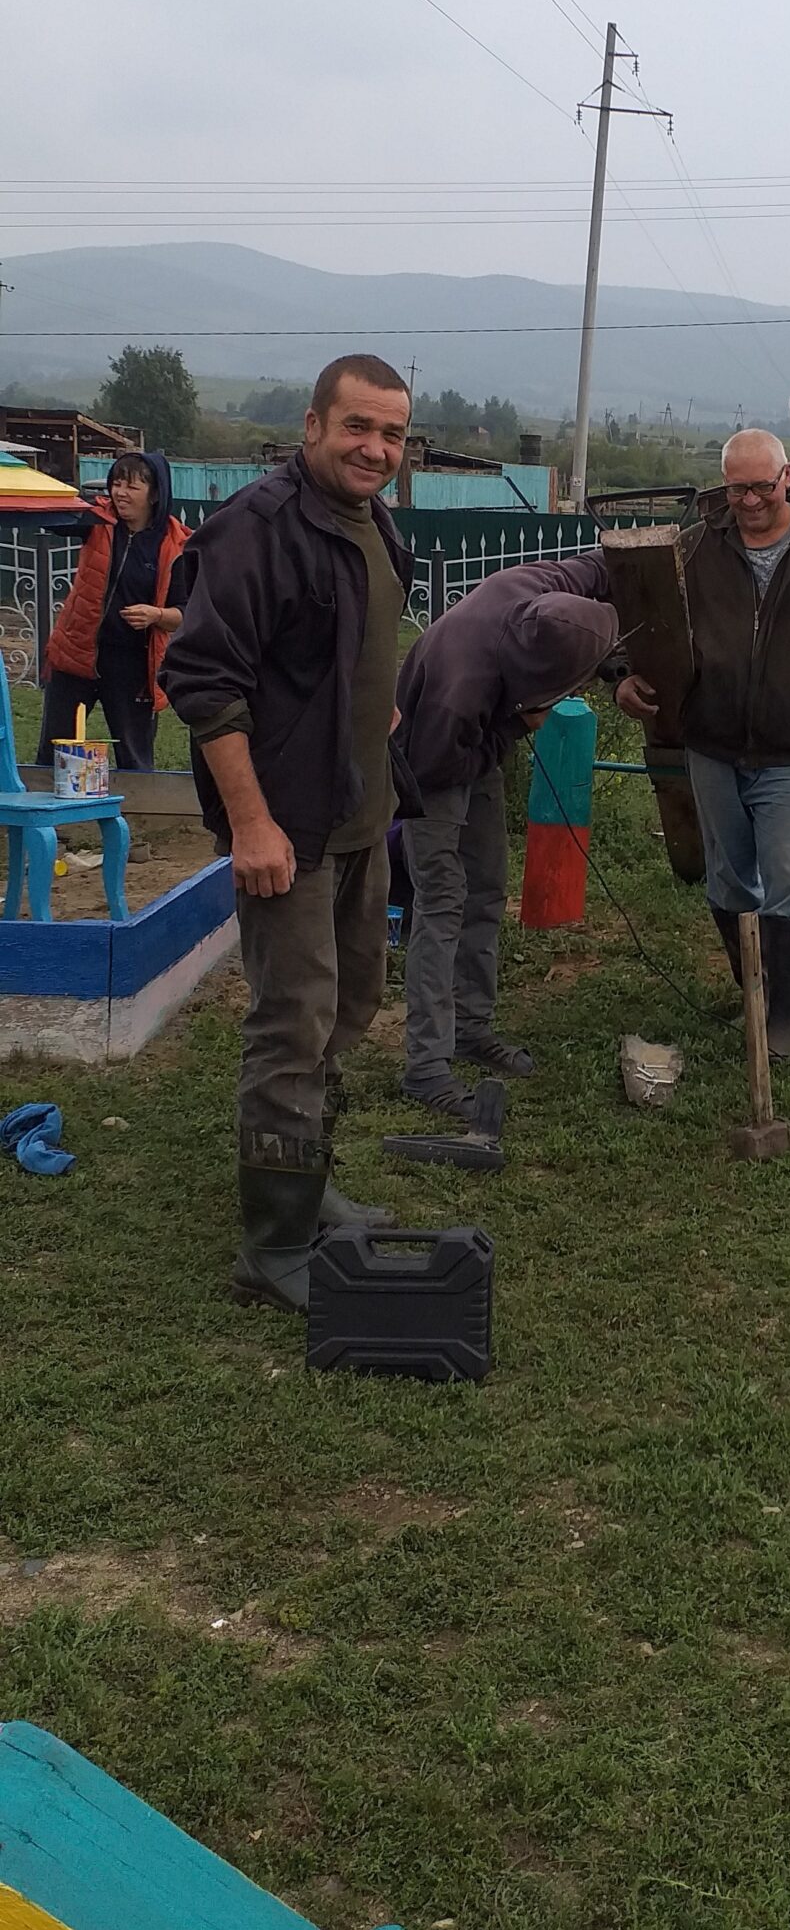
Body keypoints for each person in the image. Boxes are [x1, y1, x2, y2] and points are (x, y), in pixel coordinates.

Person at [161, 356, 414, 1310]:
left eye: (392, 434)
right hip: (290, 830)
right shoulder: (256, 532)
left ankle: (310, 1191)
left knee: (347, 1006)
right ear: (311, 424)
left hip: (359, 819)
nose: (375, 449)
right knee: (289, 1024)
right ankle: (272, 1245)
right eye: (357, 427)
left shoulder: (372, 522)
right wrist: (252, 823)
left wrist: (376, 714)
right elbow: (204, 685)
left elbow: (346, 652)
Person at [616, 428, 790, 1059]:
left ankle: (783, 1017)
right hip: (711, 742)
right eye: (738, 487)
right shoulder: (694, 547)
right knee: (729, 879)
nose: (751, 500)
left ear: (787, 477)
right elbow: (648, 621)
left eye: (763, 485)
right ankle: (752, 993)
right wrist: (624, 676)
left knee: (789, 878)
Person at [393, 556, 619, 1114]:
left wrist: (618, 669)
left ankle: (471, 1027)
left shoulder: (546, 589)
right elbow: (442, 767)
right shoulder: (459, 694)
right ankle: (426, 1064)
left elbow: (608, 565)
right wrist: (518, 723)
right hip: (432, 756)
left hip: (479, 737)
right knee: (443, 900)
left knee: (487, 887)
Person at [39, 451, 189, 771]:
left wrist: (156, 615)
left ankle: (139, 816)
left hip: (133, 664)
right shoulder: (97, 519)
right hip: (77, 652)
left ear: (156, 494)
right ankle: (41, 815)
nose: (120, 493)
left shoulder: (177, 547)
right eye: (116, 484)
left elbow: (187, 613)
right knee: (55, 747)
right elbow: (53, 514)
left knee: (134, 756)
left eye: (132, 487)